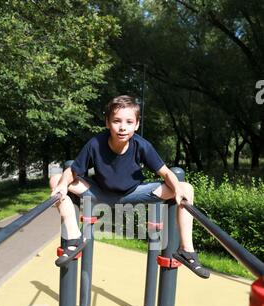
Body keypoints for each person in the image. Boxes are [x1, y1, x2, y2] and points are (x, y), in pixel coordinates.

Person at [50, 95, 210, 278]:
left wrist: (178, 190)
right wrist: (63, 185)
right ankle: (74, 236)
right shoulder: (95, 144)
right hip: (99, 193)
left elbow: (166, 173)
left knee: (186, 188)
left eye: (128, 122)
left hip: (133, 194)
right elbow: (73, 171)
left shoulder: (141, 145)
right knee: (56, 179)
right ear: (107, 123)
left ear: (136, 124)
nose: (122, 127)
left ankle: (186, 250)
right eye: (117, 121)